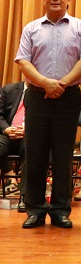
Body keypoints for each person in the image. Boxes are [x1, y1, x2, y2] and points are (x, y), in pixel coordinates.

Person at [14, 0, 81, 228]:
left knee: (63, 154)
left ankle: (61, 209)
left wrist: (60, 84)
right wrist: (45, 83)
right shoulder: (31, 28)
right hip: (37, 96)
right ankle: (35, 209)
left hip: (68, 97)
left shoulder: (80, 27)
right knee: (35, 153)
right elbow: (23, 61)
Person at [0, 81, 27, 212]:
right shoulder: (9, 90)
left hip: (29, 136)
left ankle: (25, 197)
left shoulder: (45, 93)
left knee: (33, 150)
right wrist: (6, 129)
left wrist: (28, 129)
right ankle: (10, 180)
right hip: (8, 134)